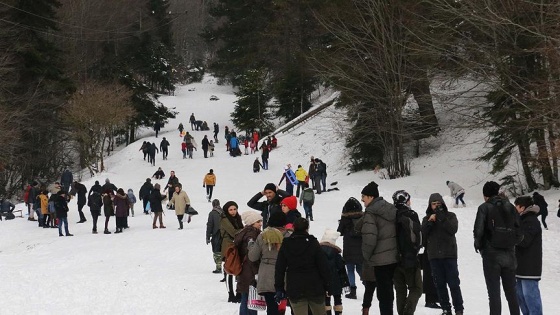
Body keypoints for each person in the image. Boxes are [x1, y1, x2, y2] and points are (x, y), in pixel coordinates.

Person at [473, 181, 520, 315]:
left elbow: (478, 231)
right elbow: (520, 232)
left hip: (491, 255)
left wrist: (480, 247)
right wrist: (510, 243)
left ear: (485, 195)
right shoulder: (510, 207)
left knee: (494, 294)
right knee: (512, 294)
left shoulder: (484, 207)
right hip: (510, 255)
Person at [275, 218, 330, 315]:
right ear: (307, 228)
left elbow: (280, 268)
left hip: (295, 286)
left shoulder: (287, 244)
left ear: (293, 227)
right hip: (315, 286)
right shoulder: (313, 243)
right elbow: (323, 266)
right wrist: (327, 285)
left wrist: (279, 288)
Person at [360, 181, 398, 315]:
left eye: (363, 197)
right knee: (390, 292)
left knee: (383, 294)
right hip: (394, 257)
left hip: (380, 260)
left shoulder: (371, 213)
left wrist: (367, 256)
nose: (362, 200)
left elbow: (369, 238)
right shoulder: (390, 208)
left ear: (370, 197)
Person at [422, 193, 464, 315]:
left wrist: (441, 217)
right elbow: (423, 233)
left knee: (454, 284)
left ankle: (459, 309)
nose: (436, 206)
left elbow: (452, 229)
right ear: (430, 205)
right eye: (433, 204)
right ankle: (446, 308)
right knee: (439, 285)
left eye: (438, 204)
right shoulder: (426, 218)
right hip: (434, 256)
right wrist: (430, 222)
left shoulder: (450, 216)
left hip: (449, 255)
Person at [248, 211, 290, 315]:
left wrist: (251, 245)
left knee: (271, 306)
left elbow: (253, 257)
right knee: (281, 306)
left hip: (266, 276)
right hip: (284, 275)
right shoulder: (289, 237)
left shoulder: (262, 236)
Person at [392, 190, 422, 315]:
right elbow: (419, 237)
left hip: (393, 259)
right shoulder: (411, 215)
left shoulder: (391, 215)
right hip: (410, 259)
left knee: (400, 290)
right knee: (416, 288)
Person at [513, 196, 543, 315]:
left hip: (530, 267)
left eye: (516, 206)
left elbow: (525, 241)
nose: (515, 209)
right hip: (520, 266)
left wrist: (512, 233)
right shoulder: (522, 220)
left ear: (522, 207)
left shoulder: (531, 220)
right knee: (520, 296)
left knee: (530, 296)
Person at [235, 210, 263, 315]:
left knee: (245, 298)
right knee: (252, 300)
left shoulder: (244, 232)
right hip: (250, 271)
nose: (260, 224)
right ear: (252, 223)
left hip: (243, 271)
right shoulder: (252, 235)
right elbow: (252, 256)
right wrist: (256, 273)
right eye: (258, 222)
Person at [336, 197, 363, 300]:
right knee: (360, 268)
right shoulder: (362, 218)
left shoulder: (345, 219)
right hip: (360, 247)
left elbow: (339, 232)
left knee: (350, 270)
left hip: (348, 248)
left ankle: (353, 290)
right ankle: (367, 283)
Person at [320, 229, 349, 315]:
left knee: (326, 300)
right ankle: (338, 313)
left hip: (323, 281)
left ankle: (327, 313)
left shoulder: (318, 253)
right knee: (337, 299)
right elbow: (341, 268)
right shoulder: (336, 254)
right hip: (336, 280)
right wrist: (345, 282)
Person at [220, 201, 244, 303]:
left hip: (237, 245)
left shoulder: (238, 218)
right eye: (231, 210)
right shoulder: (224, 220)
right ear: (227, 210)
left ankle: (239, 292)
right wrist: (245, 231)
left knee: (239, 267)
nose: (233, 211)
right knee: (229, 269)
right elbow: (234, 232)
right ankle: (231, 293)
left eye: (235, 209)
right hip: (228, 246)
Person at [206, 199, 223, 274]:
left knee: (216, 251)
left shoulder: (212, 213)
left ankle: (218, 267)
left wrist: (208, 237)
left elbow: (210, 225)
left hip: (216, 234)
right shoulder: (224, 212)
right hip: (224, 234)